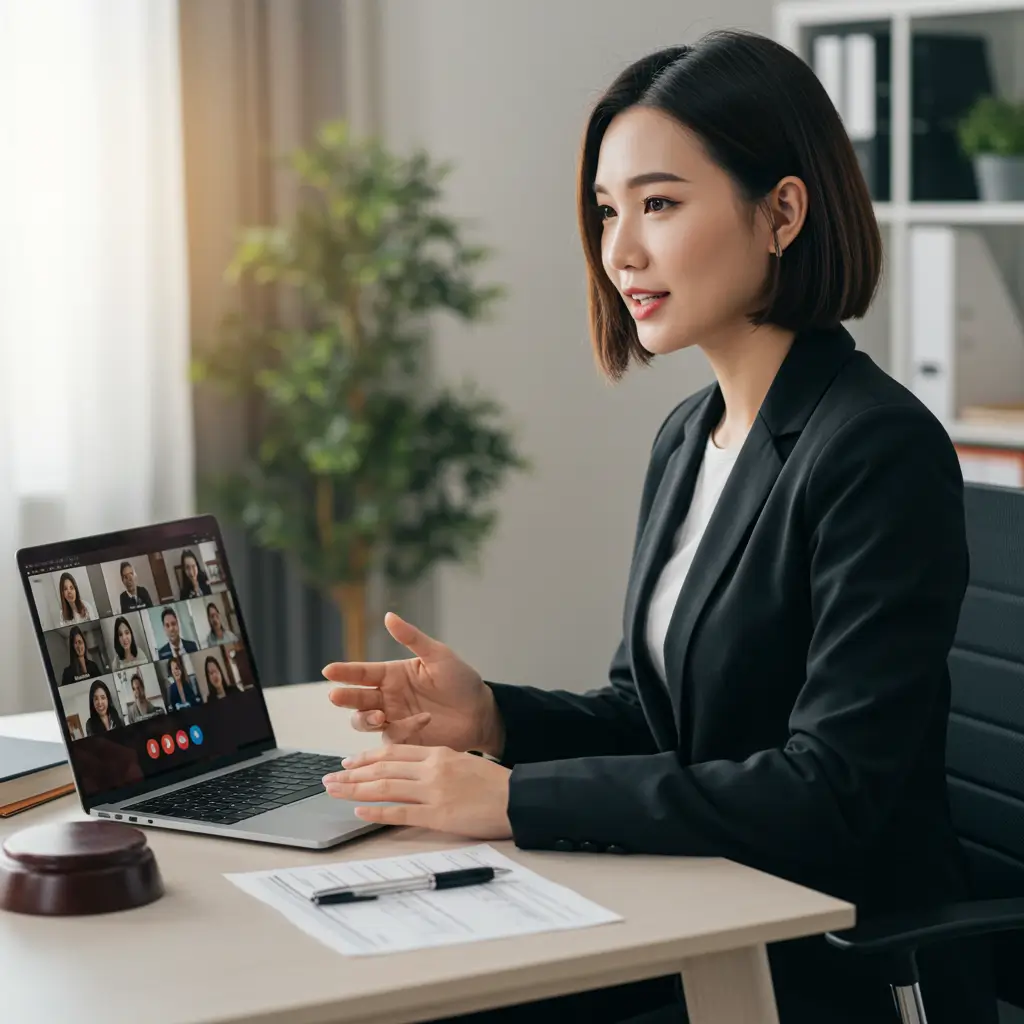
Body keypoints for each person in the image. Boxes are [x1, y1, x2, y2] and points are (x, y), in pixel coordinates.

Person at [318, 31, 998, 1024]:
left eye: (660, 204)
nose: (620, 250)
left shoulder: (875, 448)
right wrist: (494, 721)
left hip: (830, 957)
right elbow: (652, 717)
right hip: (695, 901)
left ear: (782, 212)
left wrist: (513, 800)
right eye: (607, 210)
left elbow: (830, 791)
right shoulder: (690, 435)